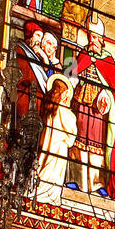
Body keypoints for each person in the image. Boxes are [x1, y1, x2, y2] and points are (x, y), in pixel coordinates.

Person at [67, 15, 115, 199]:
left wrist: (105, 97)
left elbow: (113, 89)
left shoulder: (107, 60)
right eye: (90, 37)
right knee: (78, 142)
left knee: (96, 147)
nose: (93, 41)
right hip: (81, 105)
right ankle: (78, 179)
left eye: (96, 38)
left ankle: (97, 183)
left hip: (99, 110)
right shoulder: (82, 55)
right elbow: (71, 75)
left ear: (101, 40)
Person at [33, 76, 78, 206]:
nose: (66, 98)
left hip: (48, 145)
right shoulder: (64, 111)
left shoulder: (49, 107)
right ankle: (51, 196)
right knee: (55, 172)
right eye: (65, 94)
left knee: (45, 165)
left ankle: (39, 190)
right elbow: (71, 135)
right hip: (59, 148)